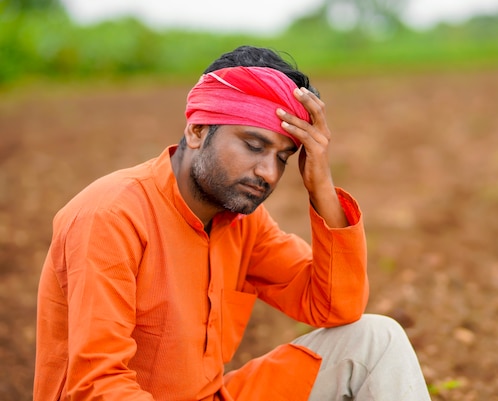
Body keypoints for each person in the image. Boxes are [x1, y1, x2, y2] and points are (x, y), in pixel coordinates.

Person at [34, 45, 431, 401]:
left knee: (376, 339)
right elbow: (97, 386)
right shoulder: (110, 216)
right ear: (197, 130)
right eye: (254, 146)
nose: (268, 173)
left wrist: (321, 187)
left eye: (283, 157)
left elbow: (335, 306)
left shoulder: (244, 222)